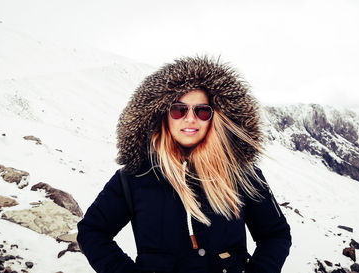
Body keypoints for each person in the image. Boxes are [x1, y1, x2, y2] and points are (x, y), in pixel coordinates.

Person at [77, 56, 291, 273]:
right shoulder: (133, 178)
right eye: (179, 110)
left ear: (214, 117)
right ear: (163, 115)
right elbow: (92, 231)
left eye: (202, 111)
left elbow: (275, 234)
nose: (190, 119)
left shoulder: (242, 174)